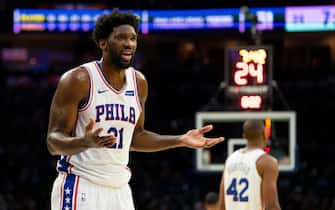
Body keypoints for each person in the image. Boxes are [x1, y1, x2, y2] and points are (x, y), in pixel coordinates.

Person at [46, 9, 224, 210]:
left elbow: (136, 137)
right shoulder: (78, 80)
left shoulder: (139, 82)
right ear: (103, 42)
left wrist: (180, 140)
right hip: (81, 184)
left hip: (120, 189)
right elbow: (53, 142)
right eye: (121, 37)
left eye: (133, 38)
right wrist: (83, 142)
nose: (129, 43)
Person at [218, 120, 281, 210]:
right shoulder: (267, 162)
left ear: (244, 136)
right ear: (264, 134)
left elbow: (222, 205)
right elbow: (272, 207)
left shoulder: (230, 159)